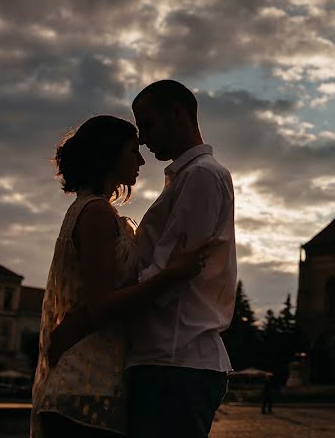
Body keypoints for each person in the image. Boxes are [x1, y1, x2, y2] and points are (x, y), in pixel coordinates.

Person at [31, 115, 211, 438]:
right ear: (109, 154)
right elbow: (101, 306)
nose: (141, 160)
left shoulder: (91, 209)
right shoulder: (96, 213)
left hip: (88, 384)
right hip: (87, 386)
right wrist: (172, 275)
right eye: (132, 151)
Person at [126, 80, 237, 438]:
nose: (142, 138)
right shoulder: (189, 177)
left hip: (176, 359)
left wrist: (107, 302)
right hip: (169, 360)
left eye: (147, 125)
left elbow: (169, 277)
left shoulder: (201, 175)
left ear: (176, 114)